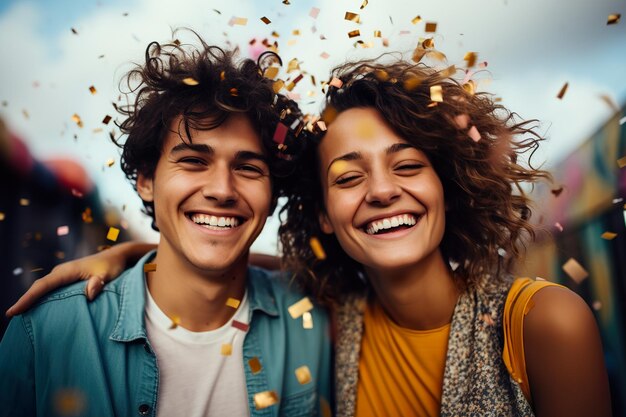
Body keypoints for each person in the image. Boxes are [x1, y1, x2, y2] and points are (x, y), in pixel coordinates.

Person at [7, 56, 612, 417]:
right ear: (323, 212)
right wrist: (137, 251)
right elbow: (225, 260)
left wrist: (136, 247)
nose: (380, 191)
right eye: (349, 177)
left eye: (407, 166)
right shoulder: (330, 316)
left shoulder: (542, 323)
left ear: (446, 187)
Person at [0, 31, 331, 417]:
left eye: (247, 167)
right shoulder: (45, 332)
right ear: (146, 180)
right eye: (193, 160)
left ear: (272, 195)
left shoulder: (312, 317)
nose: (222, 190)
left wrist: (128, 251)